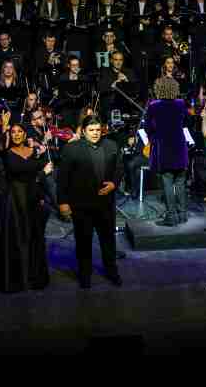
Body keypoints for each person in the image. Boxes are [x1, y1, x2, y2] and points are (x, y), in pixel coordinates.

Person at [0, 122, 53, 292]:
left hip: (32, 199)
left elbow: (35, 176)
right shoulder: (6, 154)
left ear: (25, 134)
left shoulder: (33, 152)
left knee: (33, 238)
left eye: (20, 131)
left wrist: (41, 194)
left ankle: (33, 277)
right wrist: (42, 173)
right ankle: (18, 280)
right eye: (14, 132)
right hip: (15, 202)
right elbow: (21, 171)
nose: (17, 134)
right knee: (18, 239)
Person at [56, 117, 124, 288]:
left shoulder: (111, 146)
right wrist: (63, 202)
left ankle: (112, 272)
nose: (95, 133)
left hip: (105, 204)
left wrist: (114, 183)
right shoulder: (72, 149)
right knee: (83, 242)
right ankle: (84, 275)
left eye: (98, 130)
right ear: (84, 131)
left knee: (108, 241)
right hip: (82, 205)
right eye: (91, 130)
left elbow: (119, 168)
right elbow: (63, 178)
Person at [145, 77, 191, 226]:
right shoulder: (181, 103)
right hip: (179, 145)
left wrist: (153, 138)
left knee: (167, 181)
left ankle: (171, 216)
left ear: (159, 89)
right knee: (180, 181)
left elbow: (148, 128)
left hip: (164, 147)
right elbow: (187, 122)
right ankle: (182, 214)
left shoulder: (154, 106)